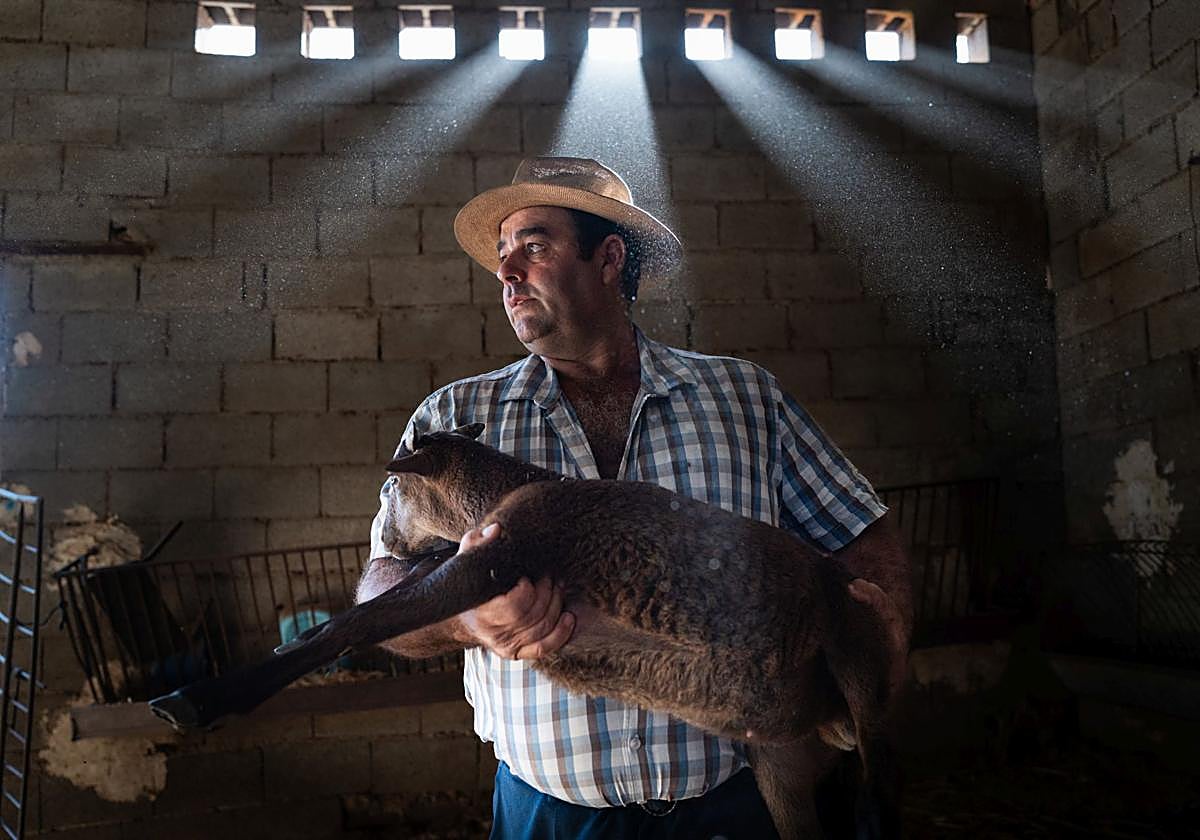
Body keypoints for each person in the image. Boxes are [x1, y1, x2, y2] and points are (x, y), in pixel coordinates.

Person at [360, 157, 911, 838]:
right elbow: (380, 591)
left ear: (609, 258)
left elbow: (866, 542)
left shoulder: (744, 398)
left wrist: (871, 671)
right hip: (549, 814)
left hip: (732, 806)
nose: (506, 272)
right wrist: (465, 623)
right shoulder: (452, 422)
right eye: (502, 253)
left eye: (533, 245)